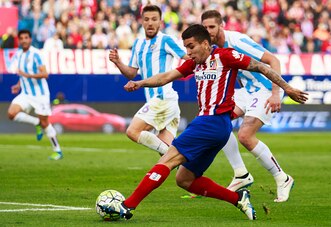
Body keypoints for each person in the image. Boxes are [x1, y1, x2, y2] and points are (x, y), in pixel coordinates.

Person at [99, 24, 308, 221]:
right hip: (215, 128)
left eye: (191, 47)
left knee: (167, 160)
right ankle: (237, 198)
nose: (188, 53)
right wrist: (140, 82)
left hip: (211, 122)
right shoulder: (193, 63)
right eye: (186, 48)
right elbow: (165, 77)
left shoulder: (226, 56)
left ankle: (128, 205)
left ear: (206, 44)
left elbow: (261, 66)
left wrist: (285, 88)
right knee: (185, 180)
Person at [201, 10, 294, 202]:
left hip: (267, 88)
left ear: (221, 25)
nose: (208, 31)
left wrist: (276, 93)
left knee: (245, 136)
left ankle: (282, 178)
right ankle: (241, 174)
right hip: (250, 90)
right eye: (205, 27)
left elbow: (273, 60)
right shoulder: (212, 48)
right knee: (217, 120)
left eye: (212, 26)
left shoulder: (237, 41)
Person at [108, 5, 188, 156]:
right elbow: (132, 73)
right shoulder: (138, 44)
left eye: (154, 19)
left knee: (133, 131)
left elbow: (188, 57)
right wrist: (118, 62)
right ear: (141, 22)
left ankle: (179, 158)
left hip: (162, 98)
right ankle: (189, 170)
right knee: (166, 155)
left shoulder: (166, 40)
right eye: (146, 19)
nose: (150, 23)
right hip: (159, 101)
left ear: (160, 22)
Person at [7, 29, 63, 160]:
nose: (24, 40)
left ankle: (58, 150)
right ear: (19, 40)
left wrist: (28, 75)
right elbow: (22, 75)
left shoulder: (36, 54)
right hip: (25, 93)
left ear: (30, 39)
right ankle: (36, 122)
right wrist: (19, 84)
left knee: (46, 123)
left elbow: (45, 74)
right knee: (11, 113)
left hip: (40, 95)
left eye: (26, 37)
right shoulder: (19, 54)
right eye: (21, 38)